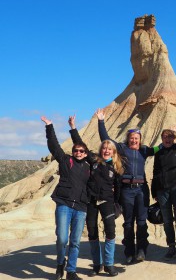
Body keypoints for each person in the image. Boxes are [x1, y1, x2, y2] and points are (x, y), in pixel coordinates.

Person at [96, 108, 160, 264]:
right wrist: (101, 121)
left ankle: (142, 250)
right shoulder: (122, 149)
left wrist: (172, 136)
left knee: (142, 222)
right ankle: (129, 252)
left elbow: (161, 147)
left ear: (140, 139)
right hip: (126, 190)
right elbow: (106, 139)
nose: (134, 140)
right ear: (128, 139)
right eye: (132, 138)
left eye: (136, 138)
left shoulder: (145, 150)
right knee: (129, 222)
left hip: (141, 190)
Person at [68, 115, 123, 277]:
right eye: (104, 148)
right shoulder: (93, 160)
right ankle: (97, 264)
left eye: (109, 149)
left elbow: (119, 189)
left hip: (108, 201)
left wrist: (118, 205)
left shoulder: (117, 167)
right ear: (101, 150)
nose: (106, 150)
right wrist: (73, 128)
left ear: (113, 152)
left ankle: (109, 264)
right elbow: (81, 144)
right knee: (92, 231)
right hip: (90, 200)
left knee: (110, 231)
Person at [41, 116, 90, 280]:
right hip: (64, 204)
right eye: (76, 150)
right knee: (62, 238)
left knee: (75, 241)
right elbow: (54, 146)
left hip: (81, 207)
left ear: (85, 153)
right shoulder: (66, 160)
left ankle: (71, 271)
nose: (78, 153)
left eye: (82, 151)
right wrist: (49, 127)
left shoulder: (89, 167)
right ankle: (60, 263)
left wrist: (74, 128)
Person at [151, 102, 176, 261]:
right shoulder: (159, 153)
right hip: (162, 190)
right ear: (162, 139)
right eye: (165, 137)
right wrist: (154, 190)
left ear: (174, 138)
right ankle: (171, 247)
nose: (167, 139)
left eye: (170, 137)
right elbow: (155, 171)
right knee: (167, 221)